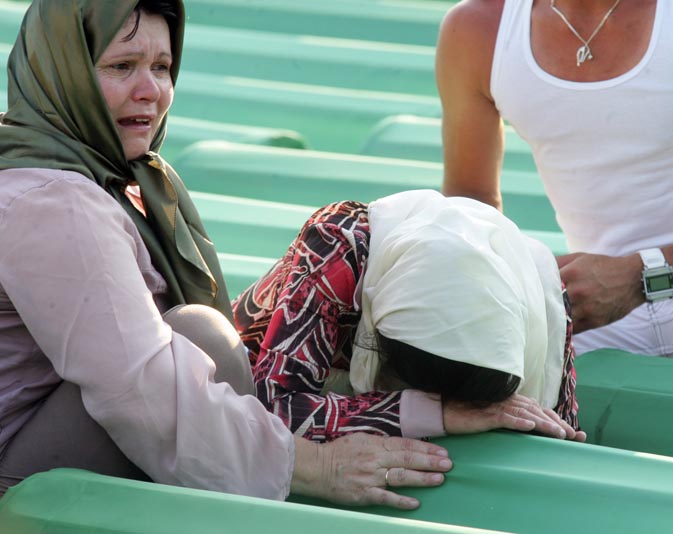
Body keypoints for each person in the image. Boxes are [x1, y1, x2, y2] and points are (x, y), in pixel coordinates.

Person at [0, 0, 454, 510]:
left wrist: (430, 406)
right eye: (120, 66)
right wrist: (315, 467)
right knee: (201, 339)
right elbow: (139, 388)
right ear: (63, 72)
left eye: (162, 67)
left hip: (47, 447)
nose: (150, 90)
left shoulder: (120, 182)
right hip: (17, 489)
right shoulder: (52, 201)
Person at [436, 0, 673, 372]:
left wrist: (641, 274)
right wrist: (527, 284)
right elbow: (471, 209)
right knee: (432, 347)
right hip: (593, 310)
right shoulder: (476, 28)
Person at [233, 189, 586, 443]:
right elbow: (272, 410)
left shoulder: (542, 289)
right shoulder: (340, 247)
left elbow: (559, 431)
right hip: (232, 385)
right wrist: (434, 413)